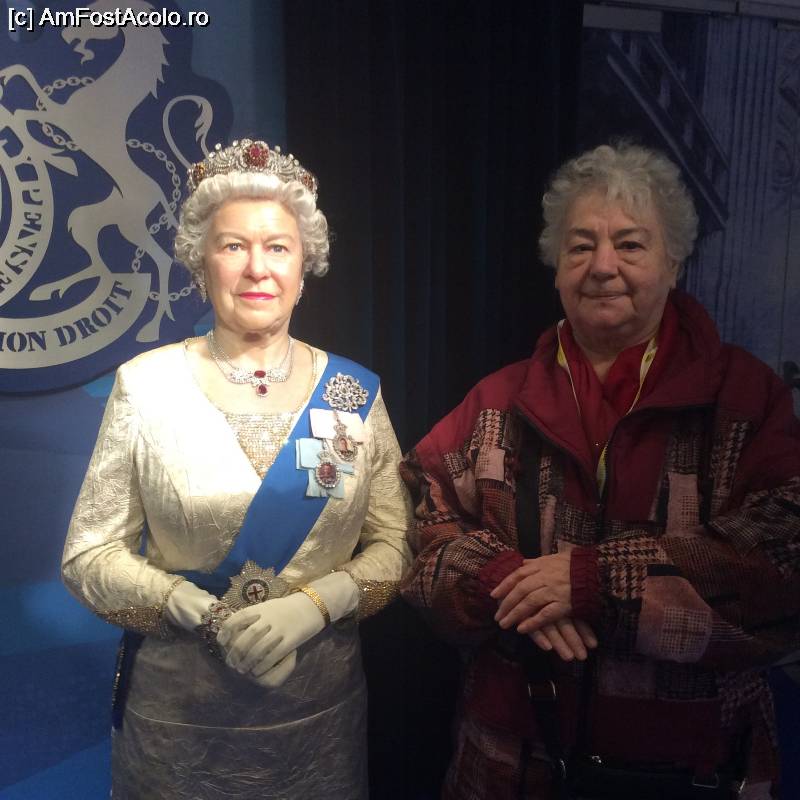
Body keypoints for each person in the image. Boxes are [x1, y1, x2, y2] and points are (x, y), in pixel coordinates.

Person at [400, 142, 800, 799]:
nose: (603, 266)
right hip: (509, 763)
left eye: (631, 245)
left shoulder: (744, 400)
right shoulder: (498, 400)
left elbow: (785, 558)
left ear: (674, 263)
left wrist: (596, 582)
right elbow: (423, 527)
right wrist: (504, 582)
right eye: (581, 245)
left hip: (694, 771)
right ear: (557, 266)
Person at [62, 138, 411, 799]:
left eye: (278, 247)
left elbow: (399, 544)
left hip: (320, 725)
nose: (257, 268)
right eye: (233, 246)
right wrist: (191, 608)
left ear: (304, 265)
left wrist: (317, 605)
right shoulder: (147, 386)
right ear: (202, 263)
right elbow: (88, 556)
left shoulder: (349, 394)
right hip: (179, 729)